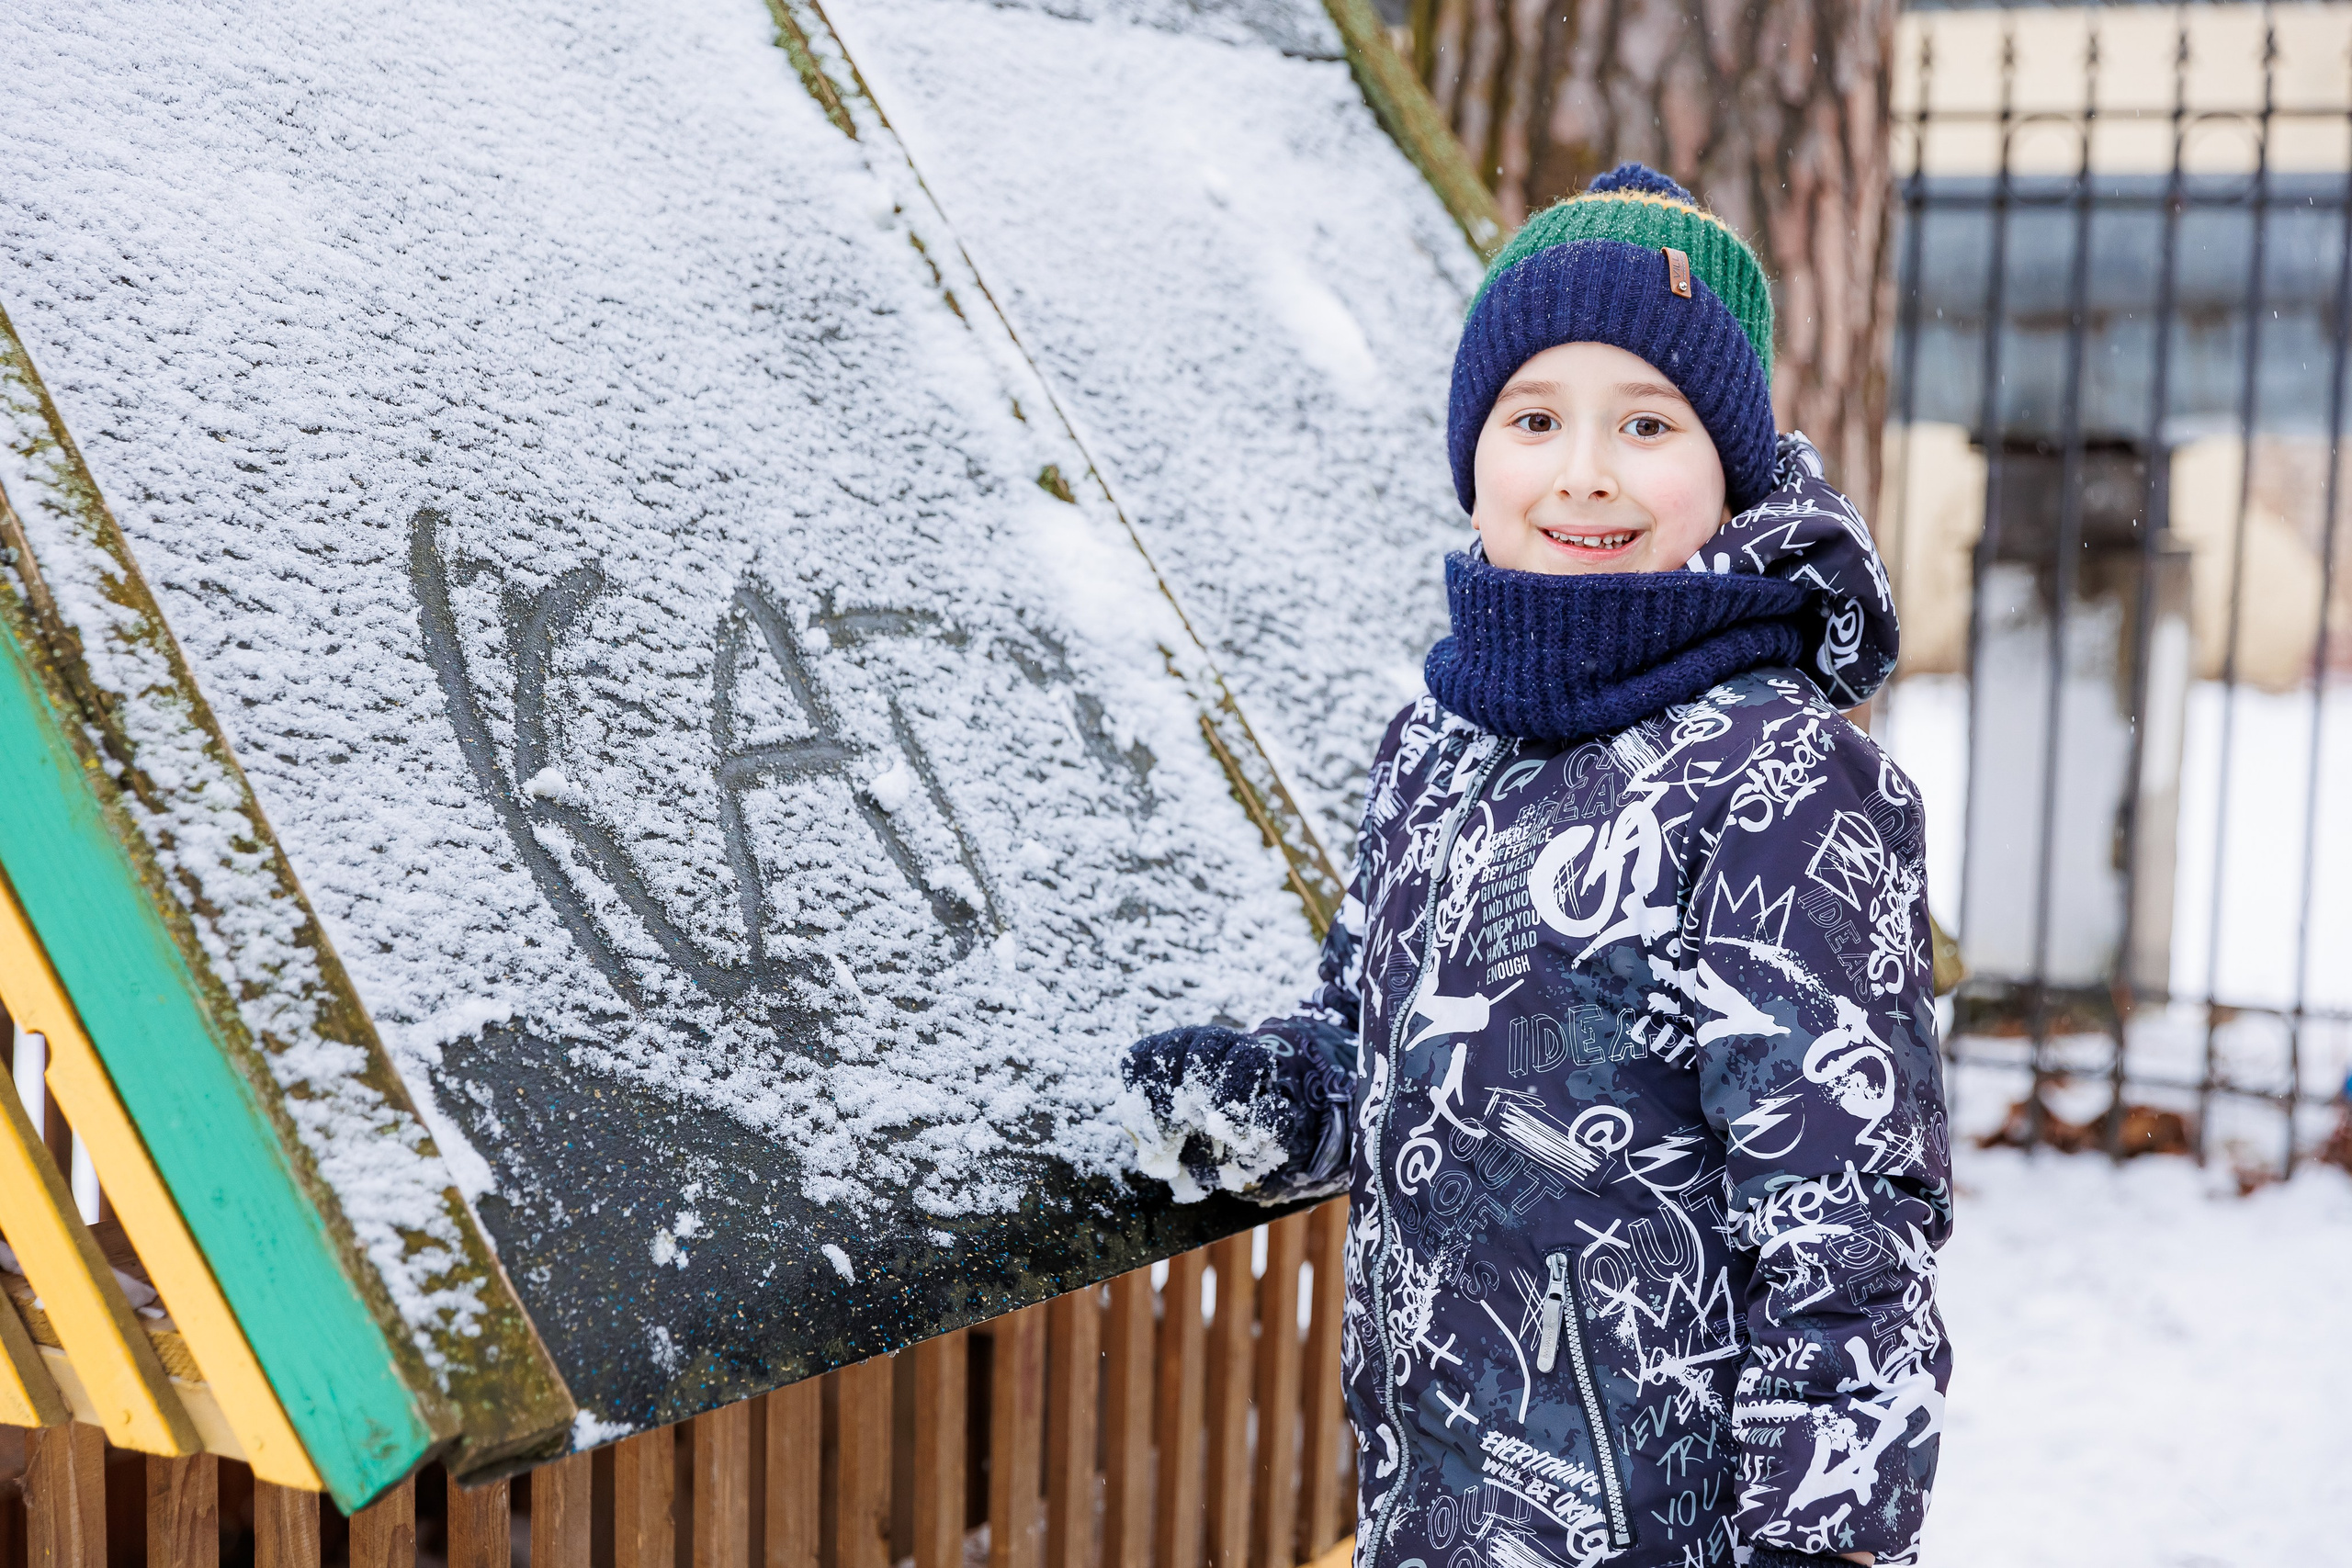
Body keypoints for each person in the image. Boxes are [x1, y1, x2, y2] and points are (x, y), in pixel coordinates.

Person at [1117, 164, 1951, 1568]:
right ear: (1475, 457)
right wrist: (1286, 1097)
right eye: (1535, 418)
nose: (1583, 470)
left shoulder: (1778, 778)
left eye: (1646, 422)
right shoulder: (1440, 744)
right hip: (1435, 1515)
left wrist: (1827, 1545)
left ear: (1730, 470)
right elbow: (1391, 1039)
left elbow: (1845, 1218)